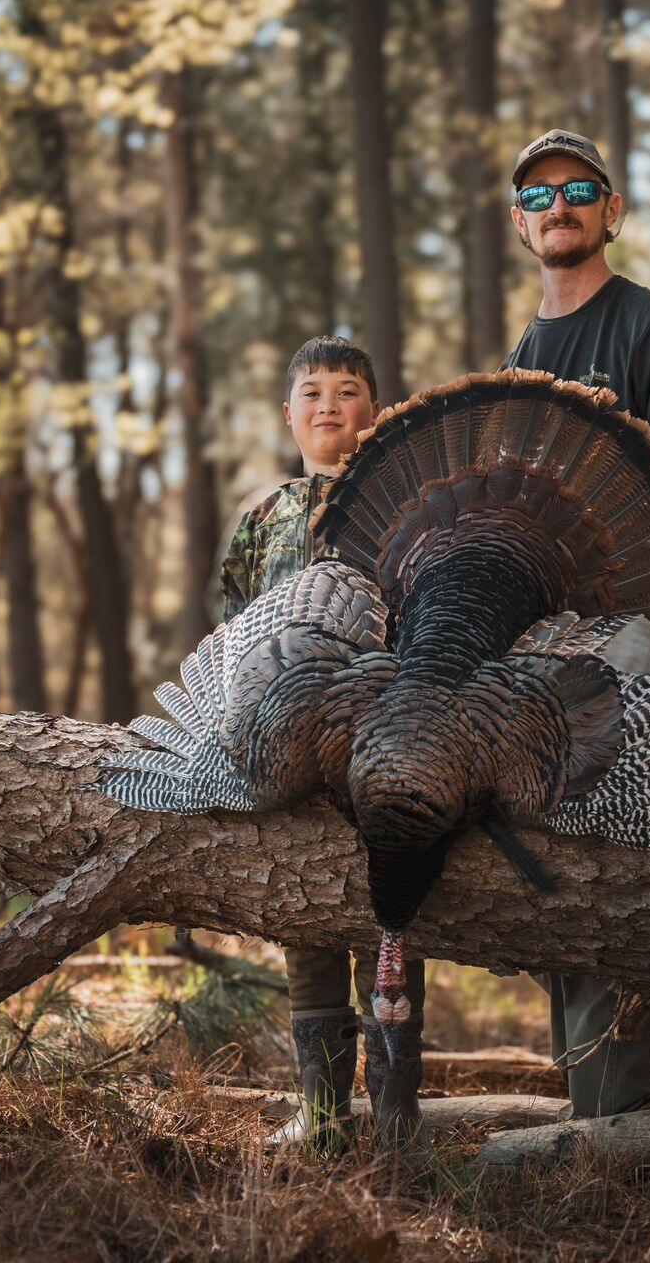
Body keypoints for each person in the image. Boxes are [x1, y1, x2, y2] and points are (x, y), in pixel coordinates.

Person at [501, 127, 650, 1117]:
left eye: (578, 190)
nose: (559, 207)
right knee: (547, 847)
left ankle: (615, 1116)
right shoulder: (521, 357)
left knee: (610, 843)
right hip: (539, 638)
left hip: (635, 627)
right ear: (520, 224)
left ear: (612, 211)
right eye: (538, 196)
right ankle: (593, 1102)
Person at [221, 335, 427, 1150]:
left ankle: (398, 1119)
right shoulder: (262, 518)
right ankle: (322, 1115)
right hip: (289, 753)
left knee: (392, 919)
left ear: (375, 412)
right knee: (304, 922)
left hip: (385, 744)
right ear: (289, 414)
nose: (329, 405)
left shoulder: (408, 507)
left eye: (347, 391)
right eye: (312, 393)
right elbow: (233, 631)